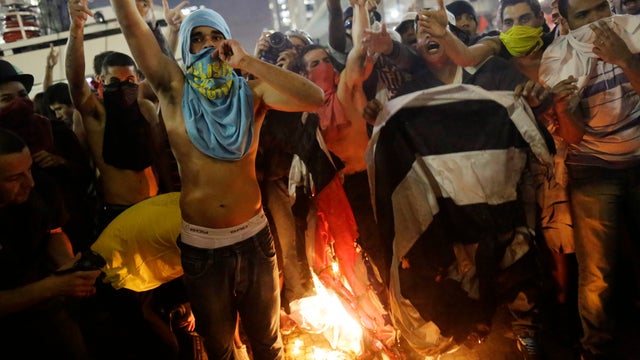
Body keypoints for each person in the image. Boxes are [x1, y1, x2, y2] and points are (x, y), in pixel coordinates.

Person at [110, 1, 323, 359]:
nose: (208, 43)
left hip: (255, 241)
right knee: (219, 349)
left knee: (269, 345)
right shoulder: (173, 90)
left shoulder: (251, 92)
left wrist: (247, 63)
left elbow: (315, 98)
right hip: (202, 249)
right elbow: (134, 31)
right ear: (185, 48)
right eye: (197, 38)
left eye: (216, 35)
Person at [539, 2, 640, 358]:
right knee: (598, 271)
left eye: (601, 8)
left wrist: (627, 60)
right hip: (594, 167)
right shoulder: (557, 59)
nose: (597, 21)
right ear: (564, 22)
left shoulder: (632, 34)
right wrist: (564, 108)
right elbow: (574, 136)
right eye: (584, 15)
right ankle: (596, 348)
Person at [0, 128, 101, 359]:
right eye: (15, 177)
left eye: (29, 169)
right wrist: (52, 286)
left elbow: (52, 231)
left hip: (48, 311)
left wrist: (69, 265)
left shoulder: (40, 189)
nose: (30, 182)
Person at [66, 0, 162, 235]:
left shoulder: (145, 109)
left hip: (155, 205)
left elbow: (159, 159)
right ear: (100, 81)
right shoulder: (97, 114)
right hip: (120, 213)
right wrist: (76, 28)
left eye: (129, 82)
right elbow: (76, 84)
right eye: (114, 82)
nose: (123, 87)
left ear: (137, 80)